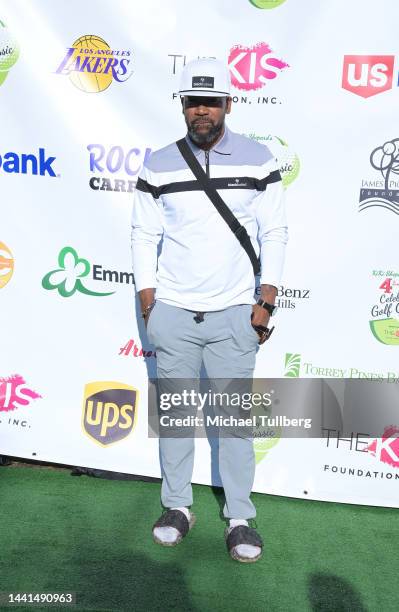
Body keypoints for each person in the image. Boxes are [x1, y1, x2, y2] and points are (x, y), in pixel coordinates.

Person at [131, 57, 288, 563]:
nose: (202, 112)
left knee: (233, 422)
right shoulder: (158, 162)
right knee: (175, 417)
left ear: (228, 104)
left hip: (234, 315)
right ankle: (177, 506)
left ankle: (239, 516)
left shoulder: (259, 158)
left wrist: (266, 299)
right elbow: (144, 233)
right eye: (193, 103)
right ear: (182, 106)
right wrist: (148, 300)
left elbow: (275, 232)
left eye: (211, 102)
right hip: (174, 311)